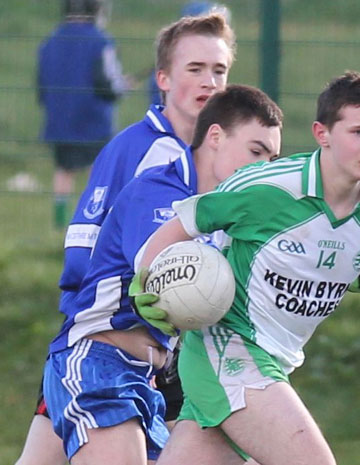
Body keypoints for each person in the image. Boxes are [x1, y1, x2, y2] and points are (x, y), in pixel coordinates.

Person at [135, 71, 360, 465]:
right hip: (226, 350)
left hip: (278, 358)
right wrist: (145, 282)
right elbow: (173, 231)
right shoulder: (265, 188)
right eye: (358, 131)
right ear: (322, 134)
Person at [15, 11, 236, 465]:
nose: (209, 81)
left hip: (150, 351)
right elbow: (84, 252)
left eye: (219, 70)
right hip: (107, 342)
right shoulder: (145, 150)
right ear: (163, 79)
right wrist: (128, 308)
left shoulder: (210, 158)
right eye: (195, 69)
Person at [42, 84, 283, 464]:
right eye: (256, 152)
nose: (264, 169)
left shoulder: (224, 215)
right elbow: (159, 268)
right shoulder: (161, 188)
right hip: (96, 361)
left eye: (272, 159)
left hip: (150, 381)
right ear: (216, 136)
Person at [37, 0, 131, 229]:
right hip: (93, 121)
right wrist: (122, 86)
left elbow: (42, 85)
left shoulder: (49, 42)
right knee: (97, 172)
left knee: (64, 169)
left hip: (59, 121)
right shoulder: (101, 42)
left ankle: (60, 222)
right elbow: (108, 84)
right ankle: (93, 221)